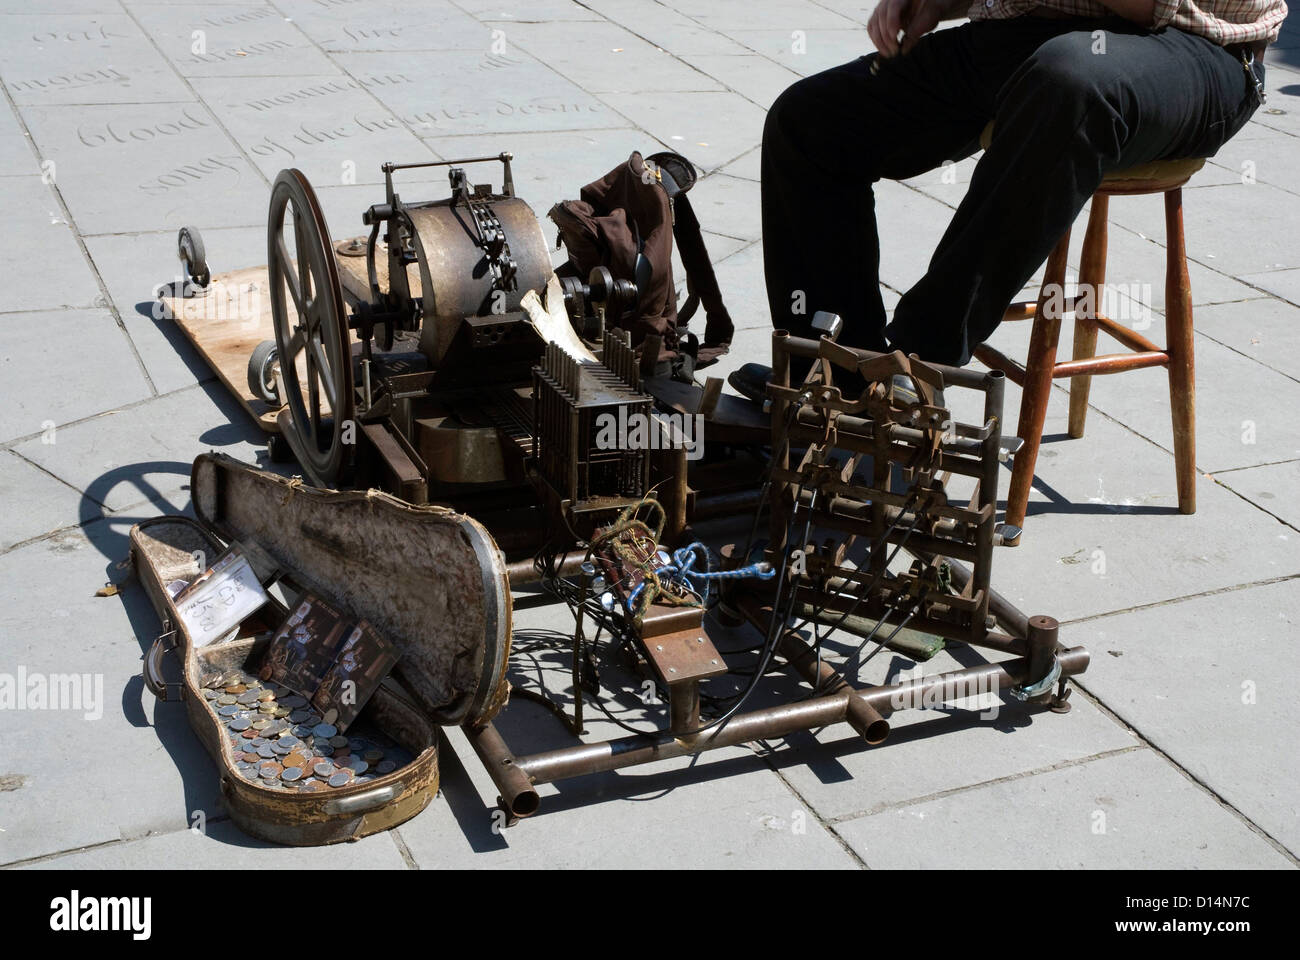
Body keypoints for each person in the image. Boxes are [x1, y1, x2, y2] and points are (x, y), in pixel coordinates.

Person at [731, 0, 1287, 400]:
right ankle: (831, 371)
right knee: (809, 121)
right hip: (1036, 35)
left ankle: (913, 367)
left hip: (1196, 48)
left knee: (1070, 83)